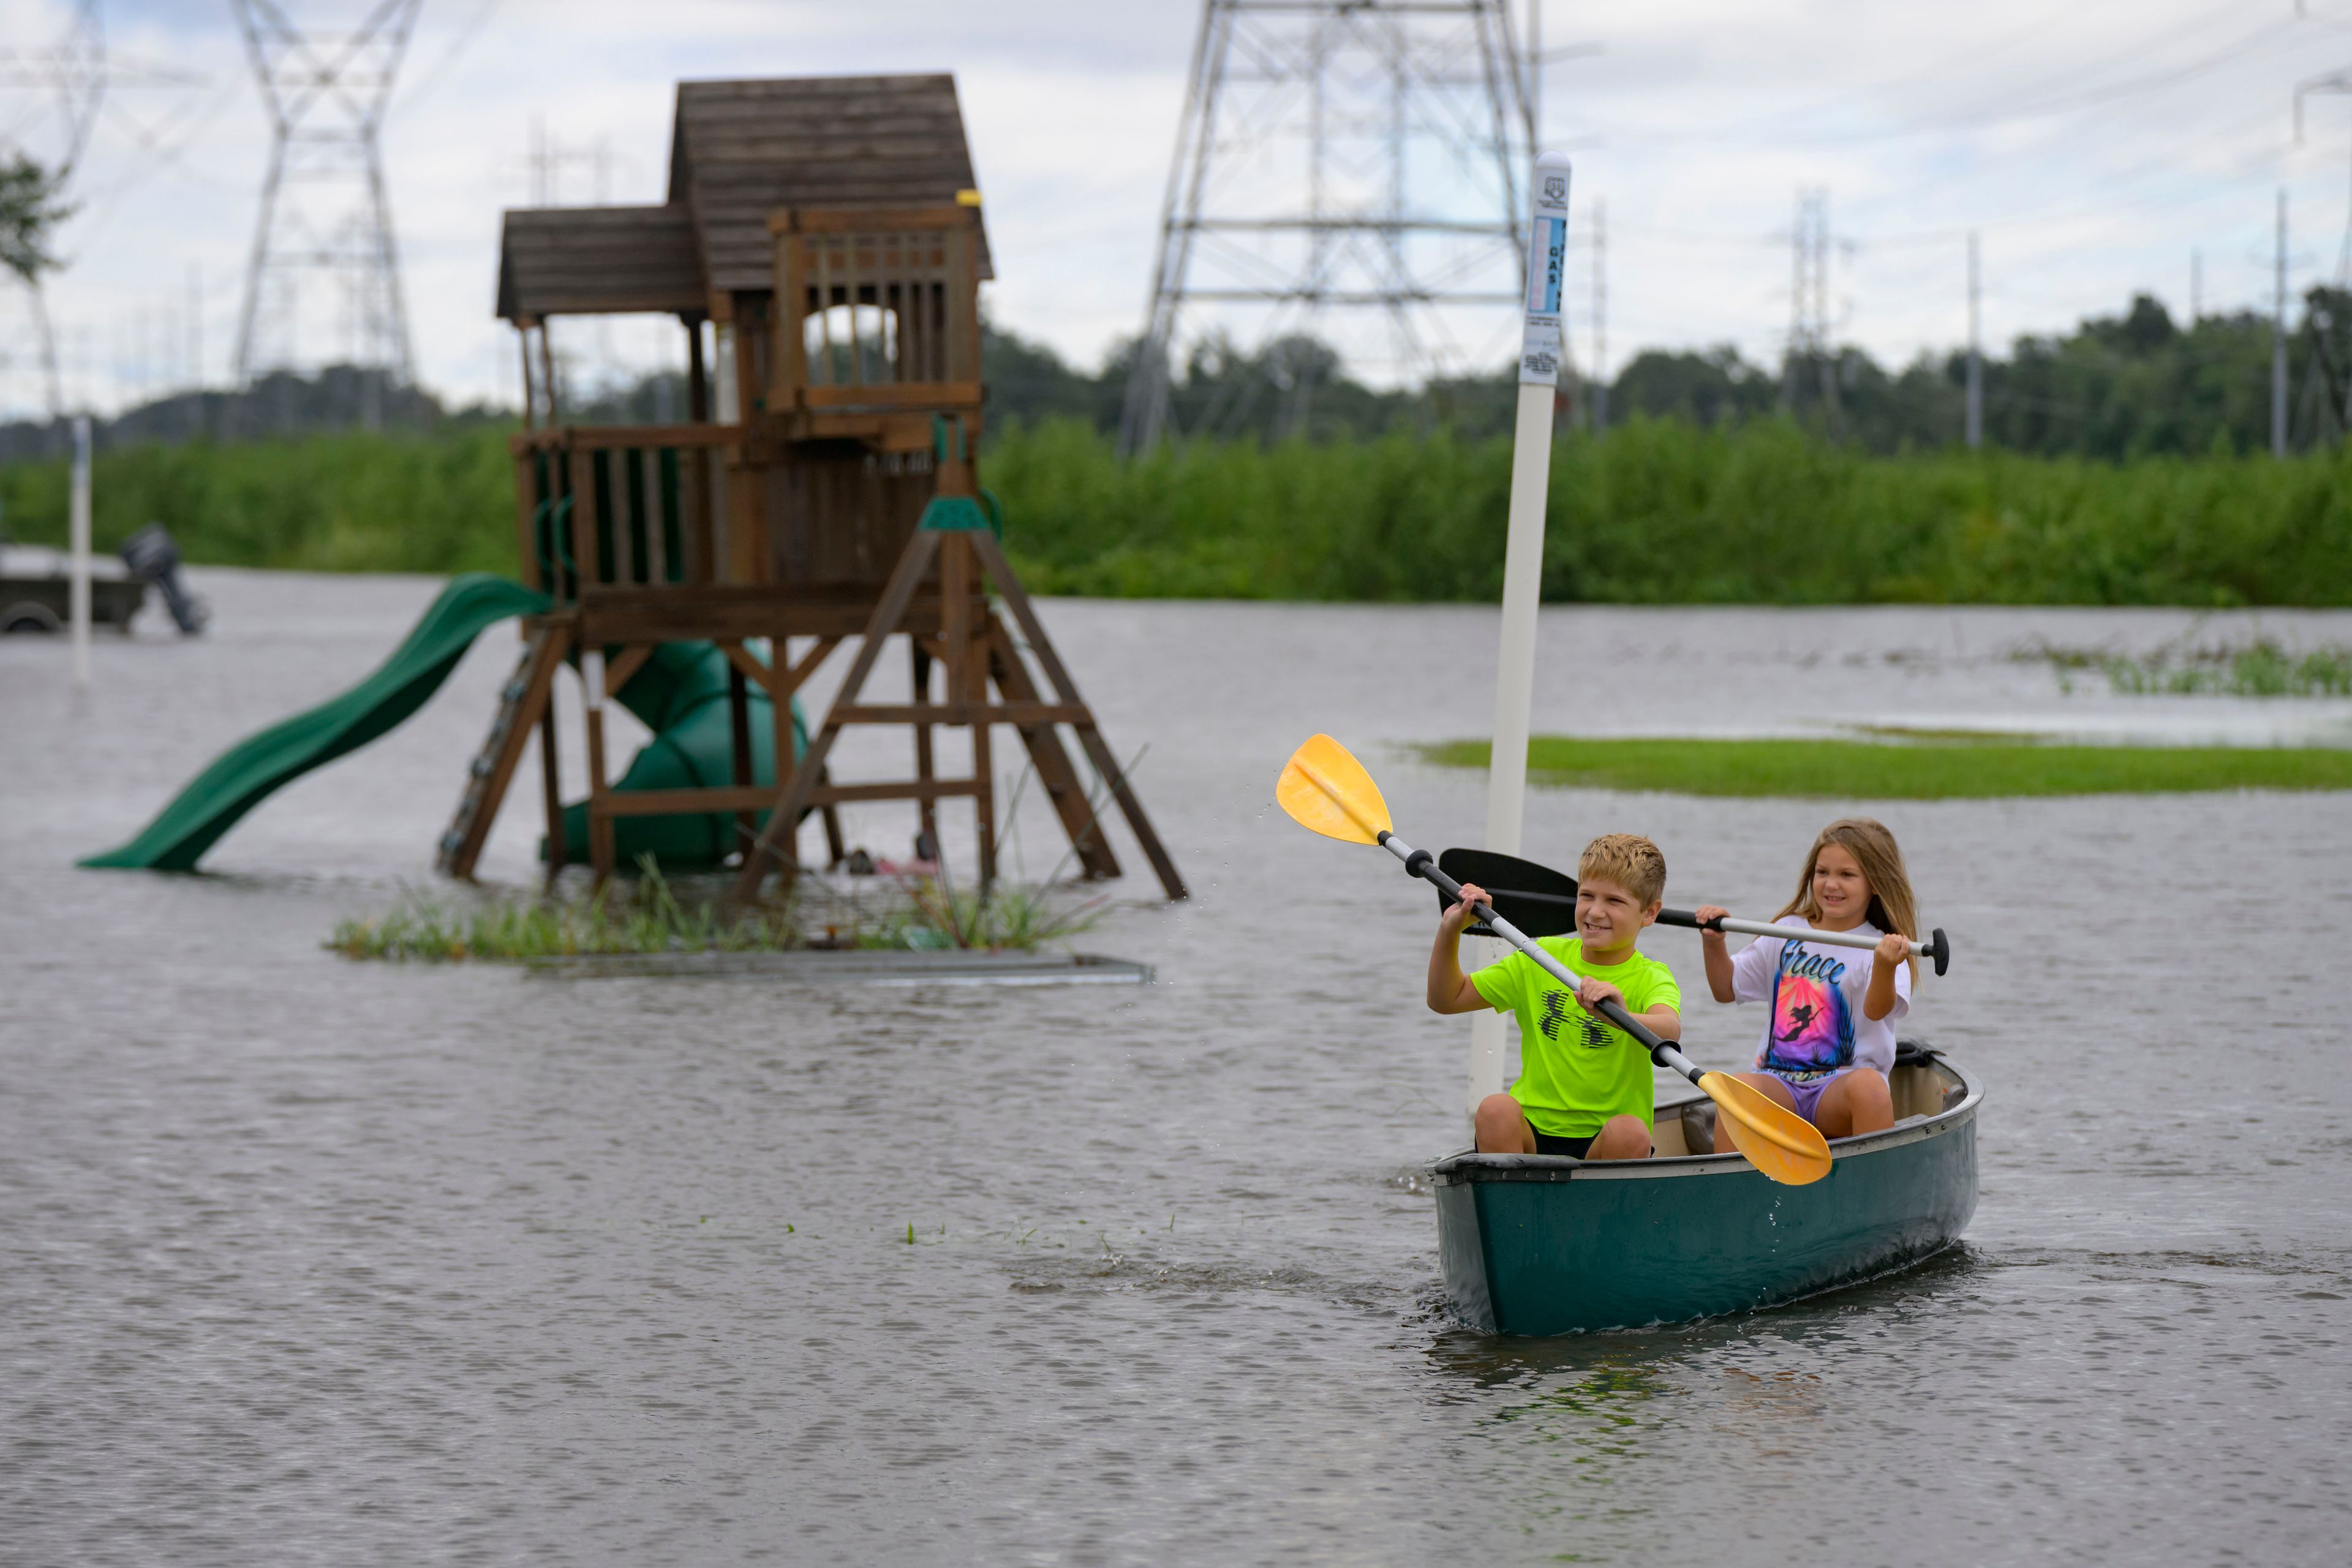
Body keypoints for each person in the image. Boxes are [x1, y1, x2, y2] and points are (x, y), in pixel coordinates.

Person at [1427, 834, 1682, 1161]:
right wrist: (1451, 930)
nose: (1595, 912)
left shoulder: (1651, 976)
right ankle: (1512, 1204)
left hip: (1605, 1142)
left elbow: (1669, 1029)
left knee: (1631, 1131)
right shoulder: (1541, 956)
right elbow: (1446, 999)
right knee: (1495, 1109)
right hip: (1532, 1131)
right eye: (1586, 896)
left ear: (1649, 913)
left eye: (1614, 902)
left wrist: (1619, 1015)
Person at [1694, 818, 1919, 1142]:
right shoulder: (1786, 930)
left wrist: (1884, 966)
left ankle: (1872, 1181)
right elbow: (1726, 990)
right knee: (1734, 1091)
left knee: (1870, 1088)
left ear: (1876, 883)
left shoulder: (1883, 947)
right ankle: (1730, 1187)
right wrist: (1714, 943)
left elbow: (1876, 1010)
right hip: (1779, 1084)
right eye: (1823, 872)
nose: (1831, 884)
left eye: (1847, 875)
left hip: (1841, 1091)